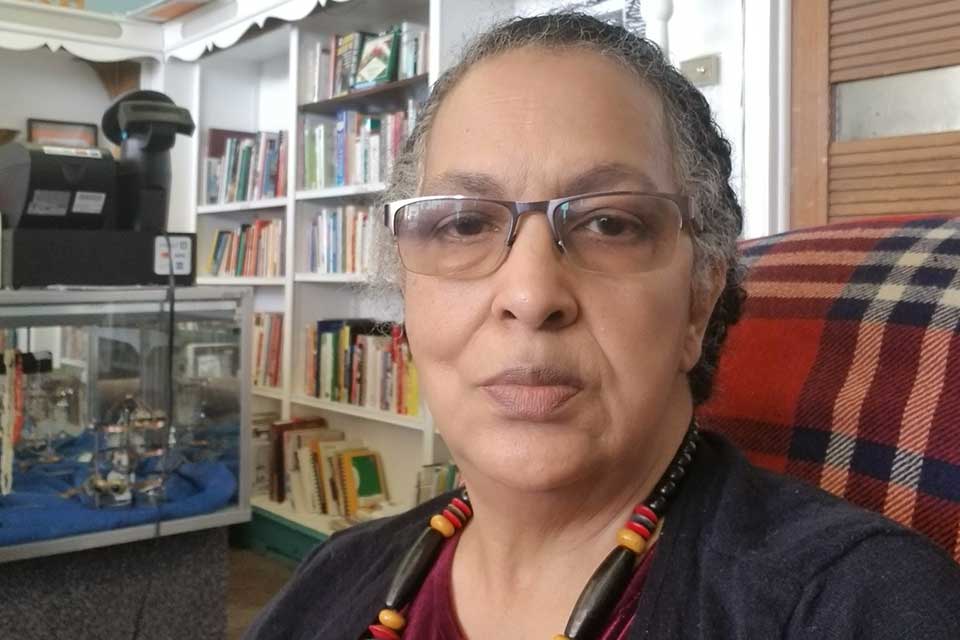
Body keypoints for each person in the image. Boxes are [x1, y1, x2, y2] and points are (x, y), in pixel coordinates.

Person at [246, 13, 960, 640]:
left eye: (609, 223)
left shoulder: (861, 605)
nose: (530, 295)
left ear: (699, 299)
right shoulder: (335, 574)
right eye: (463, 223)